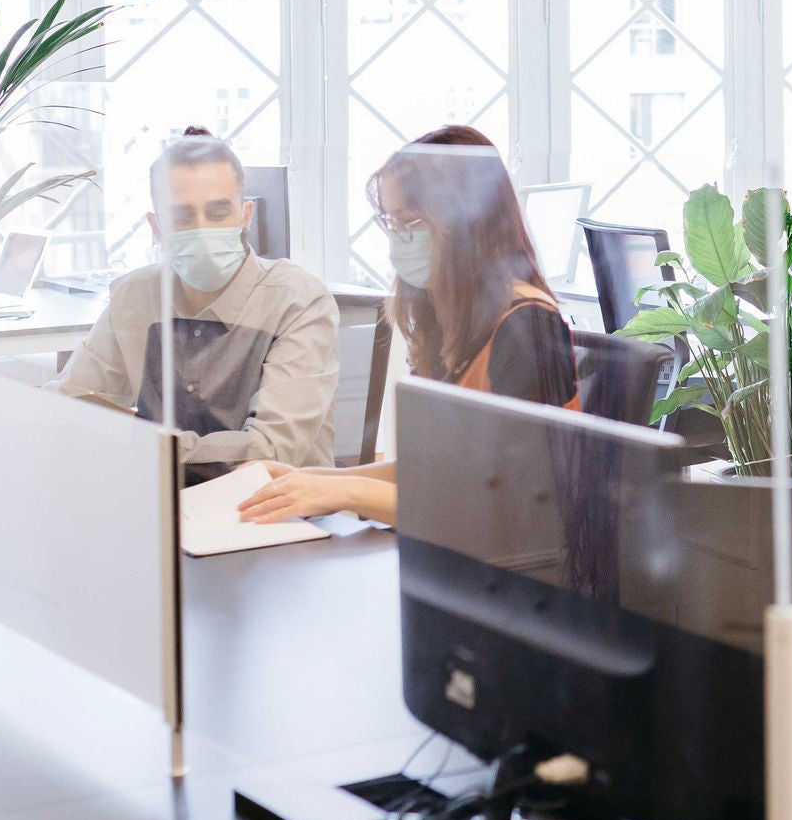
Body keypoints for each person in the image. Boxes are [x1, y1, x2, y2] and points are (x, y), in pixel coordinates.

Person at [237, 126, 578, 525]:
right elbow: (436, 472)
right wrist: (310, 480)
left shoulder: (527, 327)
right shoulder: (450, 317)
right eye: (391, 223)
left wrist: (342, 491)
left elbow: (511, 504)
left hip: (514, 572)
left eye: (410, 223)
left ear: (469, 223)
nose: (398, 239)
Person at [53, 127, 338, 480]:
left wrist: (143, 443)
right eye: (182, 217)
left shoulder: (299, 300)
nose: (202, 229)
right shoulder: (134, 296)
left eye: (218, 213)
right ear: (156, 226)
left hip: (279, 511)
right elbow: (69, 405)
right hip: (162, 506)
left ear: (245, 216)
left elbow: (270, 451)